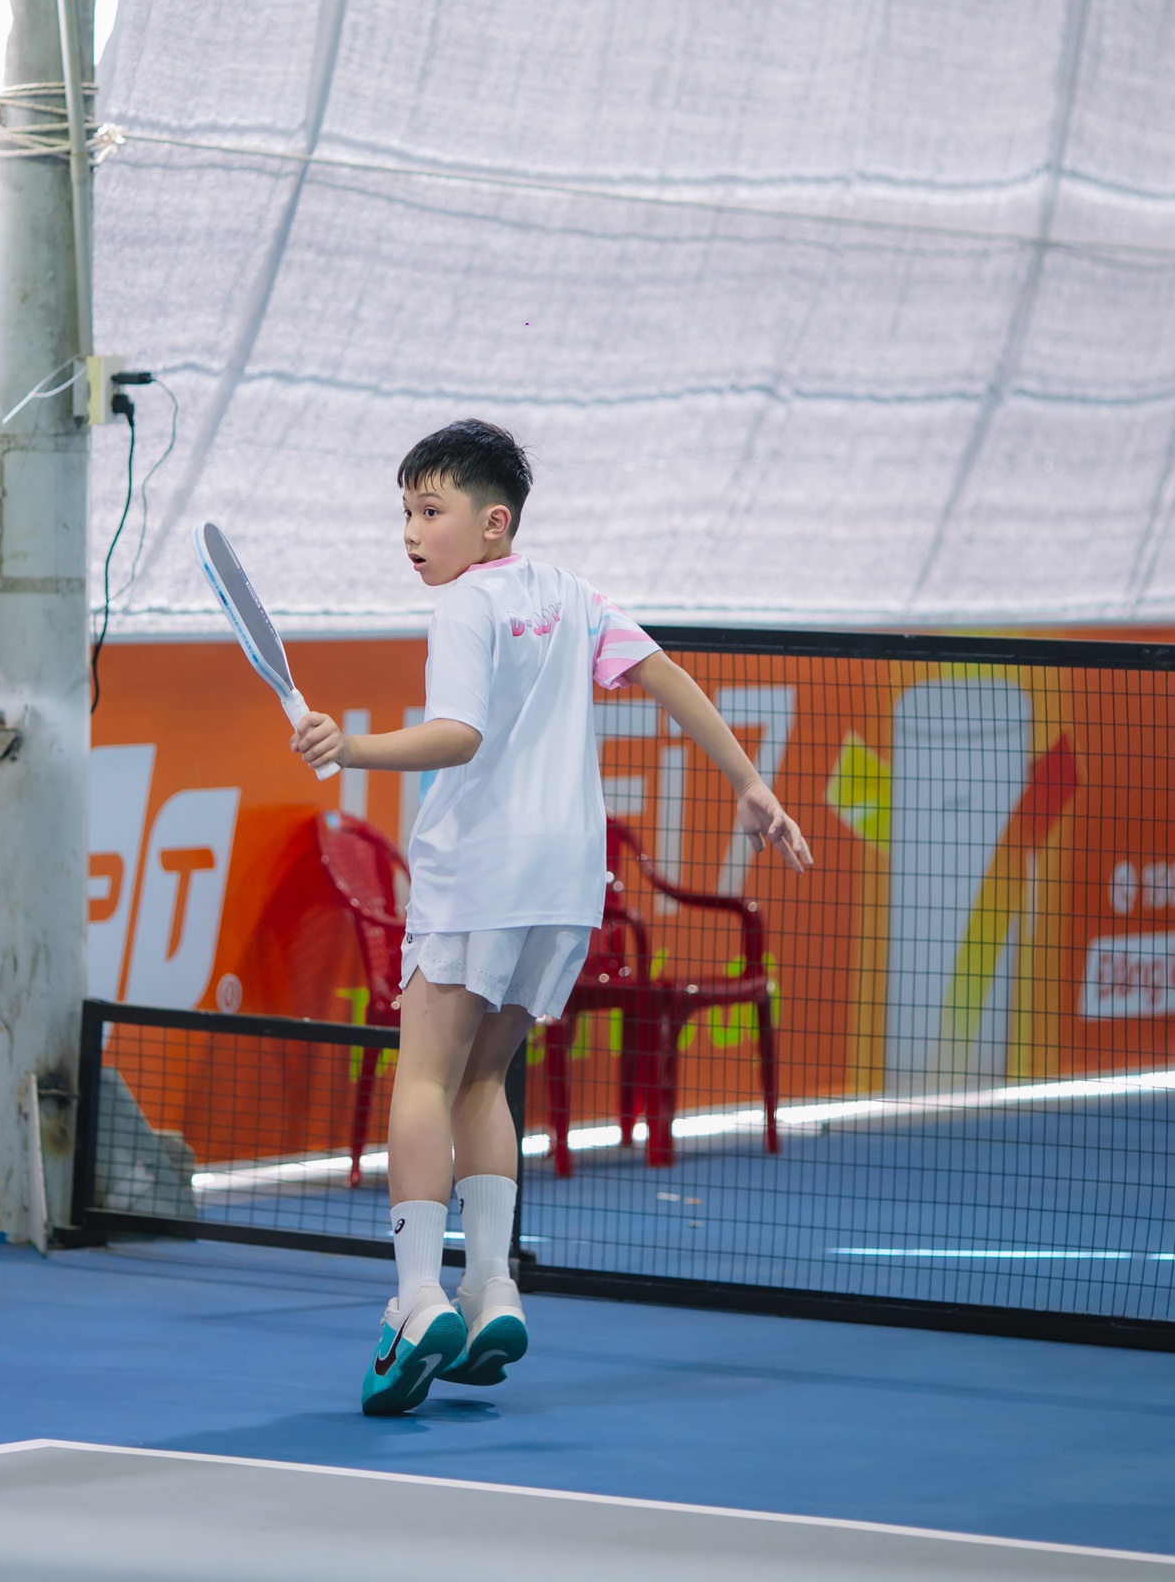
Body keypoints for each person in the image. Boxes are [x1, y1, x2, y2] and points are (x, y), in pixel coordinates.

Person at [294, 419, 813, 1417]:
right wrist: (748, 783)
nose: (411, 533)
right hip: (565, 882)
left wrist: (349, 749)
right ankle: (492, 1288)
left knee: (425, 1076)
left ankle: (416, 1300)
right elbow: (667, 679)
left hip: (478, 874)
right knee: (484, 1079)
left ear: (492, 524)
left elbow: (457, 735)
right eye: (405, 512)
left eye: (431, 511)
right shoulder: (573, 596)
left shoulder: (464, 606)